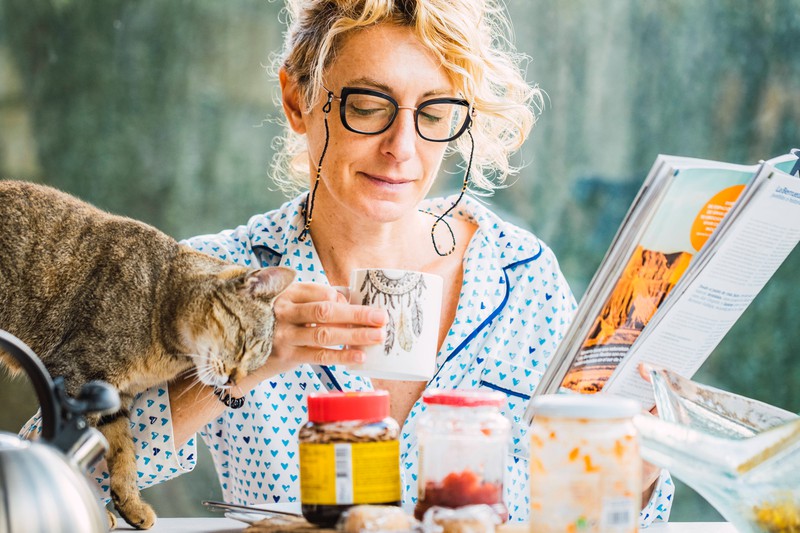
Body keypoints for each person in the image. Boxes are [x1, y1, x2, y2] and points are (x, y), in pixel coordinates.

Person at [24, 0, 673, 524]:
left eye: (435, 113)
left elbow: (606, 513)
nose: (403, 149)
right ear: (297, 100)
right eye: (369, 106)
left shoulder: (519, 278)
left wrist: (640, 469)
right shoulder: (221, 277)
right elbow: (43, 477)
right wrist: (237, 366)